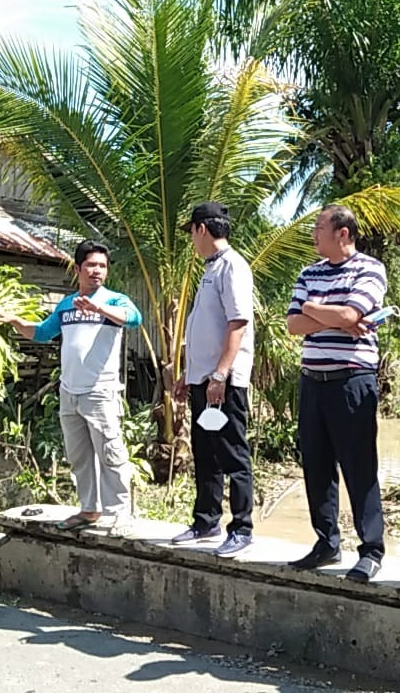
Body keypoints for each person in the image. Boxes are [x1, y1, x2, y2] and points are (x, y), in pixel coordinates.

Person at [0, 240, 142, 536]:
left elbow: (134, 319)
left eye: (102, 266)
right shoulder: (66, 304)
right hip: (69, 392)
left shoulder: (115, 301)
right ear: (78, 269)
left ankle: (120, 513)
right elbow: (42, 333)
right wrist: (16, 322)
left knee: (110, 452)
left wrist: (98, 307)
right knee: (79, 455)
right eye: (91, 265)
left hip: (101, 391)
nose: (97, 271)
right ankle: (89, 509)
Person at [285, 204, 388, 583]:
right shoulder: (308, 272)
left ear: (342, 233)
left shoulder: (370, 268)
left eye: (319, 227)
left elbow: (352, 315)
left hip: (352, 380)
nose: (313, 234)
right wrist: (331, 314)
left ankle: (371, 549)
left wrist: (317, 309)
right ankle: (326, 541)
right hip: (313, 380)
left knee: (359, 466)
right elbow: (294, 324)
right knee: (316, 464)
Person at [169, 202, 257, 558]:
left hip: (225, 381)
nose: (191, 239)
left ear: (201, 229)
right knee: (205, 452)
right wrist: (189, 376)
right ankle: (206, 520)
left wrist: (220, 374)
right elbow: (204, 328)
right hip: (204, 381)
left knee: (233, 453)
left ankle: (242, 528)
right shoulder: (210, 269)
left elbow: (238, 323)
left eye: (191, 231)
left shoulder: (232, 266)